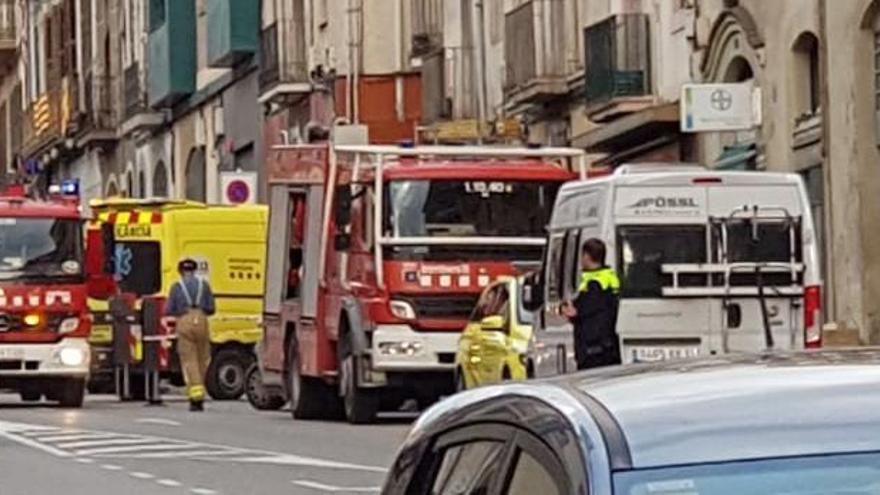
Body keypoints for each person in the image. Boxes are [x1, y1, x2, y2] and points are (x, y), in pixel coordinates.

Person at [561, 239, 621, 370]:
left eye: (582, 255)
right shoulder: (608, 277)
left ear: (587, 256)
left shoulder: (594, 283)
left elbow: (584, 311)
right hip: (608, 345)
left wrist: (571, 312)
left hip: (594, 349)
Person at [165, 259, 216, 411]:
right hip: (201, 320)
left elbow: (169, 309)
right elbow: (211, 308)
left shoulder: (177, 287)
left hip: (185, 320)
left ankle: (196, 396)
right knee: (203, 358)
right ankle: (200, 388)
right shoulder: (204, 285)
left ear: (180, 271)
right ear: (194, 270)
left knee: (189, 360)